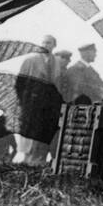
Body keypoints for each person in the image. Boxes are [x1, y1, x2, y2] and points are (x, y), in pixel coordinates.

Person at [13, 35, 63, 164]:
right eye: (43, 43)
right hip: (32, 105)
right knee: (29, 135)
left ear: (54, 45)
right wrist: (24, 102)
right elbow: (19, 84)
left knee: (42, 135)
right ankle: (25, 161)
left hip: (48, 107)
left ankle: (37, 161)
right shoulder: (30, 60)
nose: (45, 45)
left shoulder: (57, 62)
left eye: (49, 43)